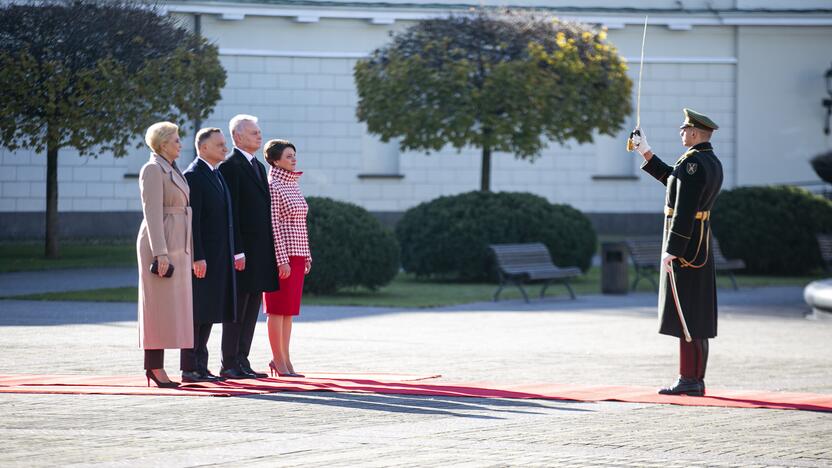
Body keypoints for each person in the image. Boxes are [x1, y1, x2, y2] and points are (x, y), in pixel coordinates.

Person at [631, 108, 724, 396]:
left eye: (684, 129)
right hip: (698, 244)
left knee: (687, 315)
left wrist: (672, 249)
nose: (681, 132)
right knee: (696, 314)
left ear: (695, 133)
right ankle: (695, 379)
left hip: (686, 248)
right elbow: (674, 180)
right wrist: (646, 152)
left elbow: (684, 209)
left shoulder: (694, 163)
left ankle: (689, 379)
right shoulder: (705, 160)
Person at [217, 115, 279, 379]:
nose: (259, 135)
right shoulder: (231, 166)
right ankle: (228, 362)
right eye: (253, 132)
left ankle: (243, 359)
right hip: (243, 251)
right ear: (238, 137)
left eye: (259, 131)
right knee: (237, 308)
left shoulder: (257, 166)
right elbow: (233, 214)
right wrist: (237, 250)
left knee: (253, 305)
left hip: (260, 249)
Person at [136, 121, 194, 388]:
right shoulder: (152, 169)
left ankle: (160, 366)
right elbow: (152, 213)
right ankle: (154, 367)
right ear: (161, 143)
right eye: (175, 139)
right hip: (161, 241)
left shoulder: (171, 168)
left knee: (171, 306)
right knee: (157, 306)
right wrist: (160, 253)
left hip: (176, 240)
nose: (180, 144)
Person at [180, 128, 236, 383]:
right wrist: (197, 256)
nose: (225, 148)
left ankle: (202, 365)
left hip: (219, 257)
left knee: (209, 311)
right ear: (203, 148)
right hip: (203, 258)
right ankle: (190, 367)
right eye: (220, 145)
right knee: (197, 312)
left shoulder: (216, 174)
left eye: (225, 144)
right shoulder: (194, 175)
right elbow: (194, 222)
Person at [262, 139, 311, 378]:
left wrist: (306, 255)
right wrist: (281, 259)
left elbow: (300, 223)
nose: (293, 159)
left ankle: (285, 359)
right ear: (274, 160)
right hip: (282, 256)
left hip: (298, 253)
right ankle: (278, 360)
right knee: (277, 310)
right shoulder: (273, 185)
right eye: (288, 156)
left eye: (294, 154)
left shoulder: (293, 184)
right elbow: (274, 225)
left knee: (289, 311)